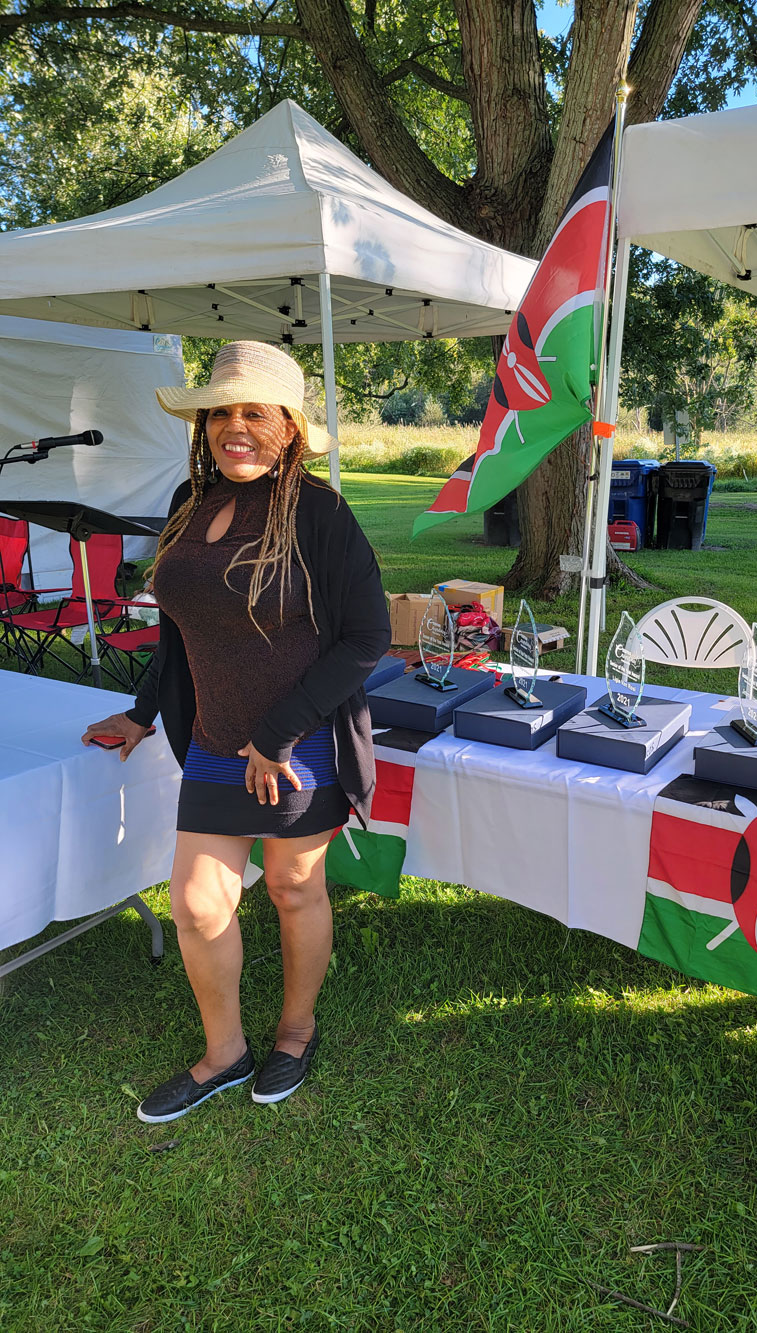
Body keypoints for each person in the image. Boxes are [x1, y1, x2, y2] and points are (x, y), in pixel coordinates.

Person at [82, 341, 390, 1122]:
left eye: (255, 412)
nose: (234, 427)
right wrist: (143, 712)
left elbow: (368, 637)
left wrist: (277, 732)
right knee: (196, 904)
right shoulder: (189, 501)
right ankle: (225, 1053)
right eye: (221, 412)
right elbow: (181, 629)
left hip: (298, 740)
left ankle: (295, 1032)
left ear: (289, 427)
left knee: (292, 887)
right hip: (217, 740)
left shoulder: (320, 512)